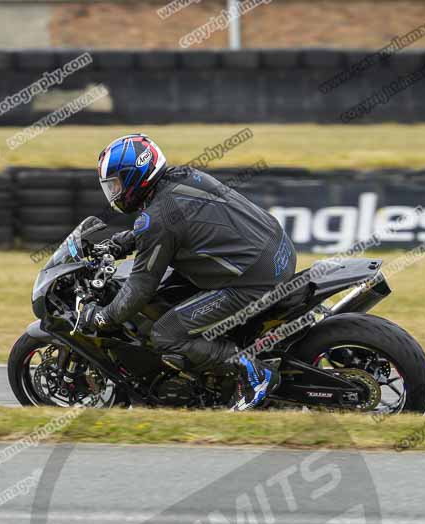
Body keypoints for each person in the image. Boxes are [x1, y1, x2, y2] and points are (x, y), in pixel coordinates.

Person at [79, 134, 297, 411]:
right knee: (172, 292)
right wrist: (125, 241)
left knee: (167, 334)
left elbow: (140, 287)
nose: (114, 193)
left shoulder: (156, 219)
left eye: (116, 185)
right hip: (277, 250)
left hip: (254, 277)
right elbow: (177, 224)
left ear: (135, 177)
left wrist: (103, 316)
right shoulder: (185, 177)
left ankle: (254, 373)